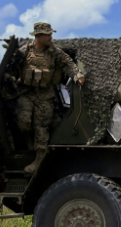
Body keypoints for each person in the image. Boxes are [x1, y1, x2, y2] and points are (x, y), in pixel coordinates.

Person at [15, 22, 85, 173]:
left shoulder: (54, 52)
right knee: (23, 122)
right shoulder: (24, 51)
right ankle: (29, 144)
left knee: (42, 127)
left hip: (45, 94)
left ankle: (39, 160)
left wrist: (77, 75)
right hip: (26, 93)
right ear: (38, 36)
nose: (51, 37)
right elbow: (13, 67)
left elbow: (68, 63)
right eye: (48, 35)